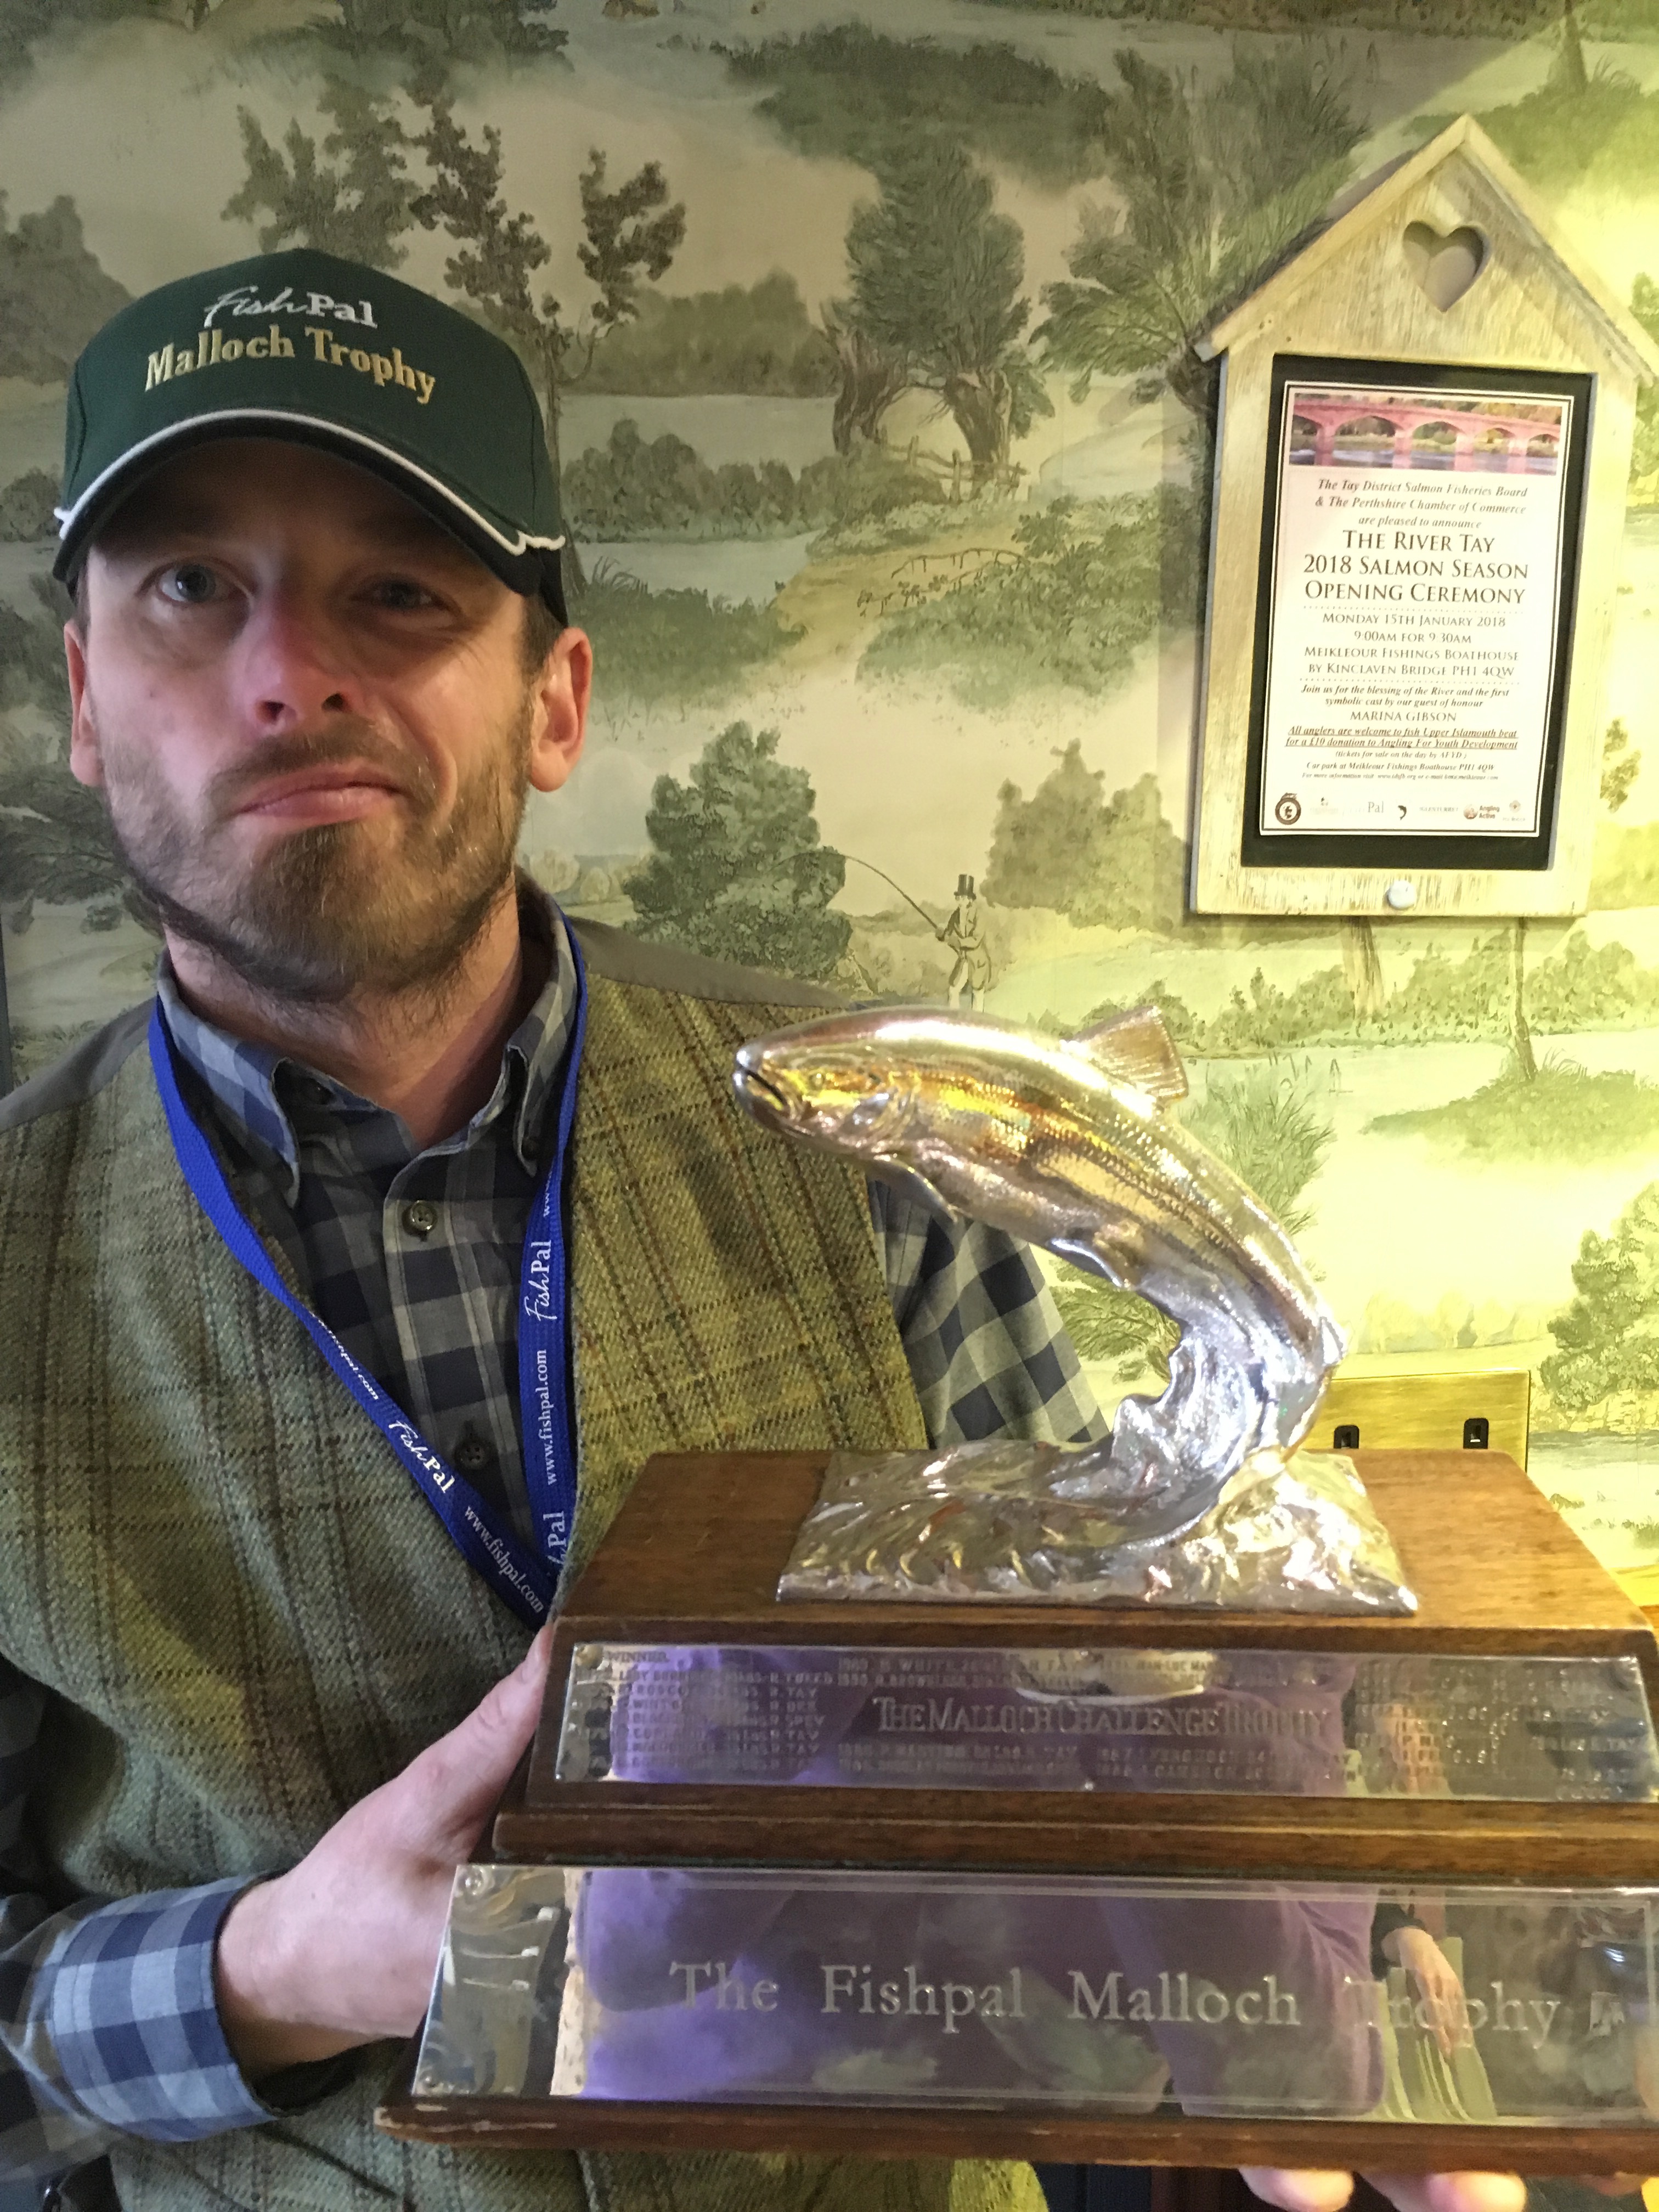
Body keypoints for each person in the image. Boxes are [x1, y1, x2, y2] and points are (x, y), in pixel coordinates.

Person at [0, 247, 1544, 2212]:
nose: (290, 672)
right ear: (82, 696)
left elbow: (1095, 1656)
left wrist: (1308, 1910)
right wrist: (269, 1974)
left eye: (399, 592)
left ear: (556, 700)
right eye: (188, 589)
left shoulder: (878, 1129)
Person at [939, 871, 992, 1010]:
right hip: (964, 961)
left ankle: (978, 1021)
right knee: (953, 989)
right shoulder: (955, 916)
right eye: (958, 898)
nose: (960, 901)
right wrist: (941, 935)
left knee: (978, 993)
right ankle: (954, 1019)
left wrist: (958, 942)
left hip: (978, 961)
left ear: (970, 899)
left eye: (963, 898)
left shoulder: (979, 915)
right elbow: (948, 934)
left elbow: (975, 940)